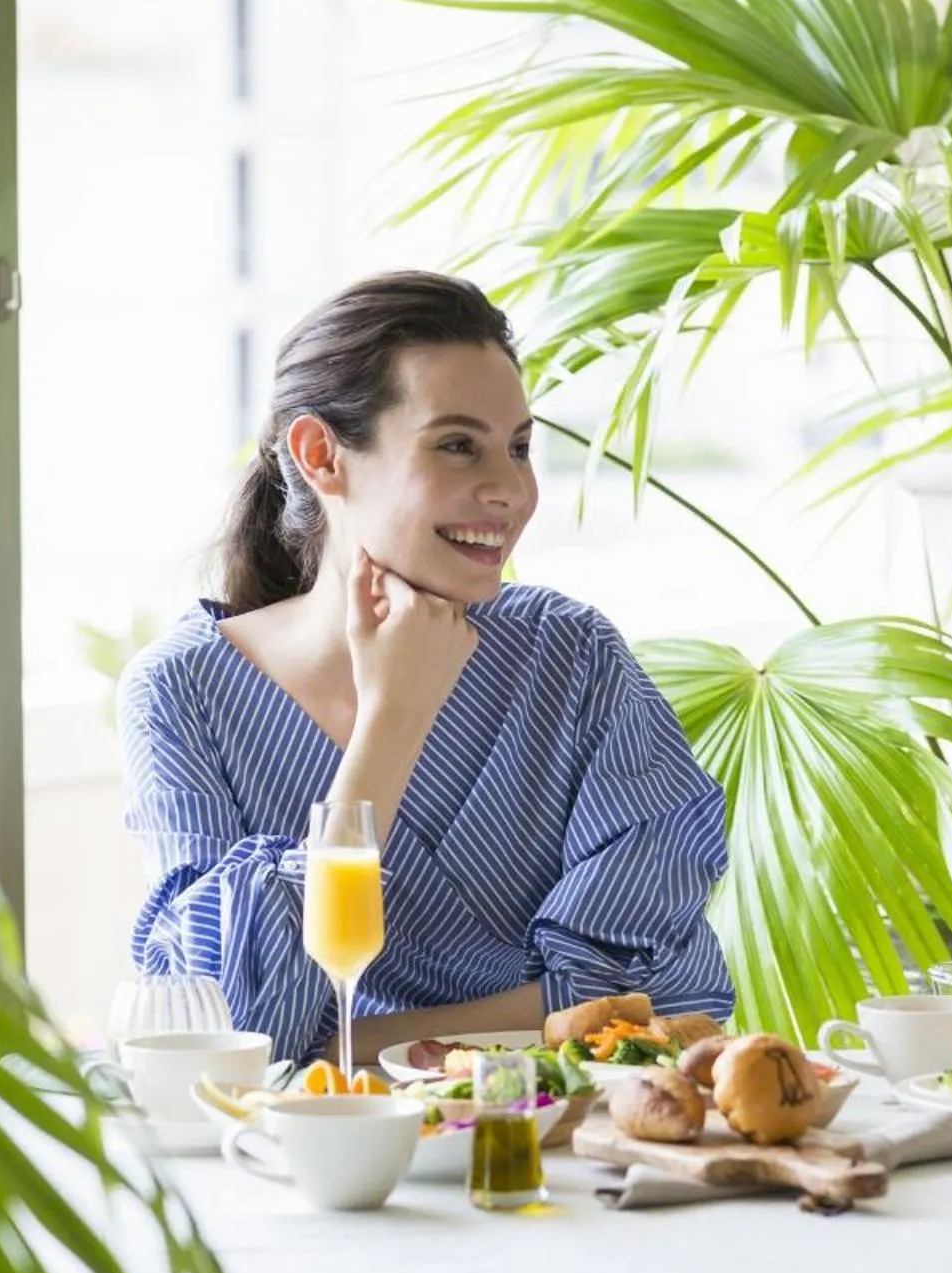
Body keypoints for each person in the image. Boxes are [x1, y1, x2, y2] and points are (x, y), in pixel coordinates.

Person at [118, 271, 733, 1069]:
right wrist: (393, 719)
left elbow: (665, 994)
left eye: (519, 448)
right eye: (457, 445)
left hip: (565, 1155)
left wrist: (342, 1041)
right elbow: (224, 1026)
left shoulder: (572, 656)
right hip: (327, 1157)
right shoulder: (183, 693)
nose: (510, 490)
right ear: (320, 456)